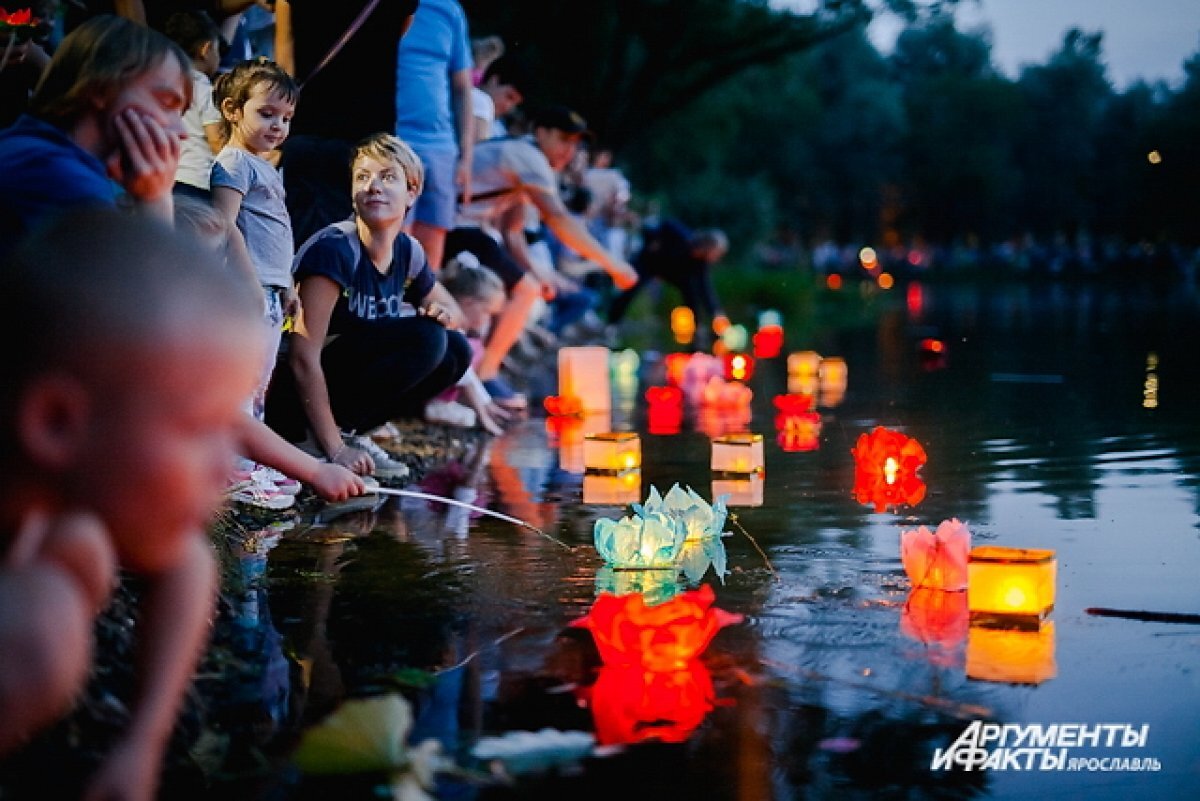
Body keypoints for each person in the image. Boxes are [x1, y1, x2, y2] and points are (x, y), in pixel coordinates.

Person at [0, 209, 266, 799]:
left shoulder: (49, 500)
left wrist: (141, 742)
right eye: (199, 429)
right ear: (56, 422)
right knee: (39, 628)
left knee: (80, 549)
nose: (227, 467)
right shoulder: (29, 633)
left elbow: (188, 560)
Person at [266, 133, 474, 478]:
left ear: (412, 191)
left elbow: (453, 312)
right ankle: (318, 442)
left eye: (387, 176)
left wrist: (443, 313)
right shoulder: (334, 249)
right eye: (362, 177)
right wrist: (335, 450)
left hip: (335, 389)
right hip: (291, 397)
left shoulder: (408, 252)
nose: (373, 186)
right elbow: (302, 356)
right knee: (427, 339)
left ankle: (351, 435)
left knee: (455, 350)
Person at [446, 105, 639, 402]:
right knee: (524, 292)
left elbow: (513, 231)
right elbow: (559, 220)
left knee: (529, 288)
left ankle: (481, 370)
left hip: (471, 230)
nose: (569, 150)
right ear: (541, 132)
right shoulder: (528, 157)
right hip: (454, 225)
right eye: (563, 139)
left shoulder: (528, 161)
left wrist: (536, 273)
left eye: (575, 143)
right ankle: (485, 375)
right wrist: (614, 265)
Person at [0, 14, 189, 253]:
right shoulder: (55, 175)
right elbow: (145, 288)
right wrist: (157, 203)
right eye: (167, 103)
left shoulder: (32, 149)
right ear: (101, 88)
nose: (182, 132)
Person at [274, 0, 419, 246]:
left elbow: (284, 57)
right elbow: (400, 31)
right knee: (362, 245)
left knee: (303, 245)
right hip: (369, 132)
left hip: (308, 125)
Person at [210, 58, 300, 422]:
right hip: (248, 287)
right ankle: (236, 466)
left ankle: (250, 461)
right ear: (232, 110)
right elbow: (224, 224)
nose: (278, 125)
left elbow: (275, 230)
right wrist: (248, 281)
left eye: (286, 118)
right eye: (267, 113)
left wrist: (287, 284)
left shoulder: (264, 165)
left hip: (271, 288)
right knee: (240, 378)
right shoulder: (233, 163)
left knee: (260, 379)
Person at [394, 0, 475, 271]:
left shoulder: (449, 9)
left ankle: (425, 310)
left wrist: (466, 157)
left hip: (441, 146)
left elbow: (463, 88)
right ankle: (388, 309)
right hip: (396, 136)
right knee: (393, 236)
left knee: (432, 243)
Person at [607, 219, 729, 342]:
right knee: (631, 286)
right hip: (650, 263)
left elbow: (705, 289)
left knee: (691, 293)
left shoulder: (701, 264)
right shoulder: (683, 237)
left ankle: (696, 330)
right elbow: (665, 224)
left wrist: (716, 313)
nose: (717, 256)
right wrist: (653, 240)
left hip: (673, 273)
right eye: (717, 252)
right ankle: (611, 324)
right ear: (708, 246)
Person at [164, 9, 226, 199]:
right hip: (197, 180)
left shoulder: (163, 83)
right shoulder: (202, 86)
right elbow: (216, 141)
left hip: (166, 179)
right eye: (217, 50)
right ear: (206, 49)